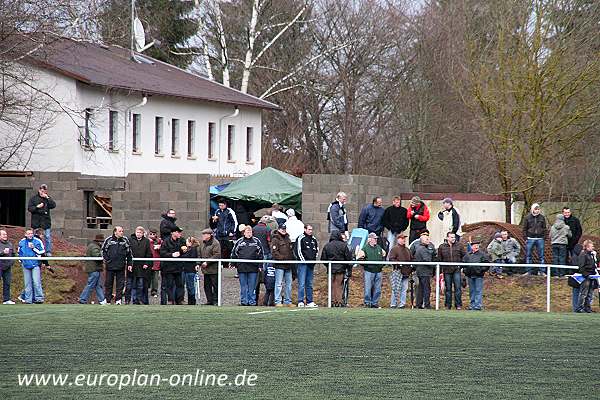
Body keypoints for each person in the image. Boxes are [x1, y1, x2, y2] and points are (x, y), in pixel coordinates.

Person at [231, 225, 263, 306]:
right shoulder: (239, 241)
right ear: (244, 233)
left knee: (252, 286)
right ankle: (244, 301)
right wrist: (233, 263)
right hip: (242, 267)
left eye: (250, 232)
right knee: (243, 286)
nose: (249, 233)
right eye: (247, 232)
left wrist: (260, 265)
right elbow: (234, 252)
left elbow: (261, 254)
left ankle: (252, 301)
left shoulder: (256, 241)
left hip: (253, 267)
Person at [321, 231, 353, 307]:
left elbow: (323, 259)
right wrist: (347, 268)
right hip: (341, 268)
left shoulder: (327, 246)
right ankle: (338, 301)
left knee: (332, 285)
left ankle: (332, 301)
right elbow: (348, 258)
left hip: (331, 268)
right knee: (338, 285)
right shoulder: (343, 245)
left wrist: (328, 266)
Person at [102, 226, 132, 305]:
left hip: (121, 266)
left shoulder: (125, 241)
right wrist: (107, 260)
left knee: (120, 284)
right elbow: (103, 251)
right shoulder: (109, 240)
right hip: (110, 266)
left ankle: (118, 300)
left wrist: (129, 264)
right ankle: (107, 300)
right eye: (120, 231)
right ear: (115, 232)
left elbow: (129, 254)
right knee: (108, 283)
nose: (122, 232)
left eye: (122, 231)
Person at [356, 233, 385, 308]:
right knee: (368, 288)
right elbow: (359, 259)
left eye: (376, 238)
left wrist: (381, 265)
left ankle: (375, 303)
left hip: (378, 271)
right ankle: (367, 302)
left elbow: (384, 256)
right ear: (370, 240)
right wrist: (367, 266)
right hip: (369, 271)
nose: (376, 240)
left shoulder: (379, 248)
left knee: (378, 289)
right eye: (374, 238)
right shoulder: (365, 248)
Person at [438, 232, 466, 309]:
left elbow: (464, 256)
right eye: (451, 237)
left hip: (456, 269)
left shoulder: (459, 246)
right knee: (448, 289)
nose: (453, 239)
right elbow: (439, 259)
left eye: (454, 237)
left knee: (458, 288)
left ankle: (458, 305)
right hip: (446, 270)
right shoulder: (441, 247)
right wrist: (440, 272)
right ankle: (448, 305)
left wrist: (461, 266)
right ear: (447, 238)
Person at [18, 228, 46, 304]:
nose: (30, 235)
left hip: (35, 264)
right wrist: (21, 261)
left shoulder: (37, 241)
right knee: (27, 283)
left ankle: (39, 298)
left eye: (31, 233)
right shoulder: (21, 242)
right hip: (25, 265)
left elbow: (42, 251)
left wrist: (34, 248)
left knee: (36, 282)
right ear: (25, 234)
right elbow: (19, 252)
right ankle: (28, 300)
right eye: (28, 233)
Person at [27, 184, 56, 256]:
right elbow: (30, 209)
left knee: (47, 237)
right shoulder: (33, 198)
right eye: (41, 190)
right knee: (34, 236)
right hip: (36, 222)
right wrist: (37, 207)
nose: (42, 192)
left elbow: (53, 205)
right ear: (39, 190)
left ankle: (48, 251)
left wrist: (47, 198)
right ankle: (33, 250)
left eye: (44, 191)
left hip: (45, 222)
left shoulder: (47, 198)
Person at [159, 226, 186, 305]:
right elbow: (162, 253)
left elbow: (183, 251)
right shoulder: (166, 241)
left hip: (178, 266)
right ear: (172, 233)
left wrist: (183, 251)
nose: (179, 234)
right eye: (177, 232)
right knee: (169, 285)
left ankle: (180, 300)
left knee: (180, 284)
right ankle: (170, 300)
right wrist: (171, 255)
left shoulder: (182, 240)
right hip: (168, 267)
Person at [78, 234, 107, 305]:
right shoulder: (95, 247)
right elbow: (97, 255)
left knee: (97, 285)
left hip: (93, 268)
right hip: (94, 269)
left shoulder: (92, 246)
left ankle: (102, 300)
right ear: (99, 241)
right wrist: (103, 254)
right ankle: (82, 298)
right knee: (91, 284)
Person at [295, 224, 319, 307]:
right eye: (309, 229)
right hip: (303, 264)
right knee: (301, 283)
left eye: (311, 229)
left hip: (311, 265)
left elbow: (316, 251)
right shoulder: (300, 238)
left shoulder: (314, 239)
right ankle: (300, 301)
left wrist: (313, 261)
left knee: (309, 283)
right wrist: (303, 261)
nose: (310, 231)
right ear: (305, 229)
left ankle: (310, 301)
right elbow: (298, 251)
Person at [462, 240, 489, 311]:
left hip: (478, 275)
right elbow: (463, 264)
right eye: (474, 245)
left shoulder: (482, 255)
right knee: (472, 291)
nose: (476, 246)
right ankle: (472, 304)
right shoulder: (468, 255)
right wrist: (465, 271)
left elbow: (487, 264)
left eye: (477, 245)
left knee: (478, 290)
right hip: (470, 275)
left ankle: (478, 305)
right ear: (471, 246)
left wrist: (480, 270)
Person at [411, 232, 436, 309]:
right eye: (426, 239)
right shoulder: (423, 249)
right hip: (424, 272)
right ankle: (426, 305)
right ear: (422, 241)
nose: (428, 240)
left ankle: (419, 304)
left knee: (421, 289)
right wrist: (435, 265)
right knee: (426, 289)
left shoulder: (420, 248)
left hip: (421, 271)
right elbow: (427, 260)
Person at [129, 226, 152, 305]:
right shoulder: (130, 240)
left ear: (143, 234)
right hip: (133, 266)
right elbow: (129, 253)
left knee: (141, 285)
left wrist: (146, 263)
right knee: (133, 285)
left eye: (140, 233)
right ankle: (134, 300)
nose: (138, 234)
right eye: (137, 232)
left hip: (142, 267)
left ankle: (139, 299)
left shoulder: (146, 241)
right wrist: (130, 264)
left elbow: (149, 253)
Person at [271, 223, 293, 307]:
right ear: (279, 229)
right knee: (279, 284)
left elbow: (290, 251)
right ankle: (278, 301)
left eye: (285, 229)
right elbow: (274, 253)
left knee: (289, 284)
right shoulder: (275, 239)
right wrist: (283, 258)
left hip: (288, 264)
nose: (284, 230)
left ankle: (288, 301)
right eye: (282, 229)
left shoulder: (288, 238)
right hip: (280, 264)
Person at [388, 233, 412, 308]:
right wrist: (398, 265)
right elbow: (391, 259)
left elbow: (412, 259)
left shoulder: (407, 250)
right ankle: (393, 303)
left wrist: (411, 268)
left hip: (406, 272)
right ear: (398, 239)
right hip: (398, 271)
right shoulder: (394, 249)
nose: (403, 240)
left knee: (404, 289)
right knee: (395, 288)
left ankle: (402, 303)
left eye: (404, 238)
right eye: (402, 238)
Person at [523, 203, 547, 276]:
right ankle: (528, 271)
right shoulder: (527, 217)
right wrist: (525, 237)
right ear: (532, 209)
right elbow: (524, 229)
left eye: (538, 209)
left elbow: (544, 228)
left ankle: (542, 271)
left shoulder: (542, 218)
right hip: (530, 238)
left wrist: (544, 237)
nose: (537, 211)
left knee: (541, 256)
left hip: (540, 238)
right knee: (528, 255)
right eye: (535, 209)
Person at [198, 229, 221, 305]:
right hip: (205, 269)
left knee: (215, 285)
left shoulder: (215, 243)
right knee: (207, 286)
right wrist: (198, 263)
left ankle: (215, 300)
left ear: (209, 235)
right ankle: (209, 300)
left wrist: (207, 262)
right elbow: (200, 254)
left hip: (214, 269)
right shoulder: (202, 243)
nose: (203, 236)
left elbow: (217, 255)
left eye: (204, 234)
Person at [575, 240, 598, 313]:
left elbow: (594, 265)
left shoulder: (591, 255)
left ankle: (587, 308)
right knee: (583, 293)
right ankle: (579, 307)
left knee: (590, 294)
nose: (593, 247)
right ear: (587, 247)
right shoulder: (583, 254)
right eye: (592, 246)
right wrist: (586, 275)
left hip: (592, 276)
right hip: (586, 277)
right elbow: (581, 267)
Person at [181, 236, 200, 305]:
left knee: (191, 287)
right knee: (189, 287)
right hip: (187, 270)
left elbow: (189, 257)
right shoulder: (189, 249)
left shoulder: (193, 249)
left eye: (187, 241)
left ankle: (192, 302)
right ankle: (191, 301)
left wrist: (182, 255)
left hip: (190, 270)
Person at [0, 229, 16, 304]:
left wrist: (11, 262)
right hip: (0, 266)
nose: (5, 236)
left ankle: (6, 300)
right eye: (3, 234)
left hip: (7, 267)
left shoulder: (10, 244)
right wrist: (2, 252)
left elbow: (13, 254)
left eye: (5, 234)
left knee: (7, 283)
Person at [148, 229, 162, 298]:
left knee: (155, 278)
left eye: (154, 234)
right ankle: (147, 289)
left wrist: (159, 248)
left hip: (156, 262)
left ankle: (154, 291)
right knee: (147, 277)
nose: (152, 236)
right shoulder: (146, 241)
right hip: (148, 262)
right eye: (151, 234)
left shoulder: (159, 241)